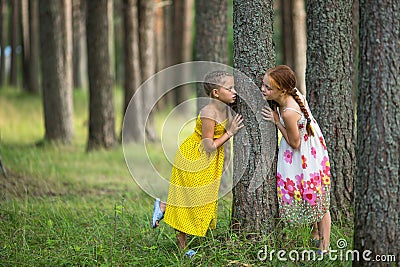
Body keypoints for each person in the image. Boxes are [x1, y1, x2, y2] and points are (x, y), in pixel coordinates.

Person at [151, 70, 244, 255]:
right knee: (191, 200)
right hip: (194, 157)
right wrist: (230, 133)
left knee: (199, 200)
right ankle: (182, 247)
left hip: (209, 162)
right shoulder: (209, 112)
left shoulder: (226, 106)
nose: (235, 92)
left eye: (234, 88)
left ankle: (164, 206)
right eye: (230, 88)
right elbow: (209, 146)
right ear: (216, 93)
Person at [261, 65, 331, 252]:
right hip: (310, 149)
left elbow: (295, 143)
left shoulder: (288, 112)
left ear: (282, 90)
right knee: (312, 194)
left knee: (318, 200)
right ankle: (315, 234)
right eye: (263, 85)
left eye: (268, 88)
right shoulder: (291, 94)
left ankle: (324, 248)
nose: (263, 89)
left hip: (305, 155)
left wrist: (277, 121)